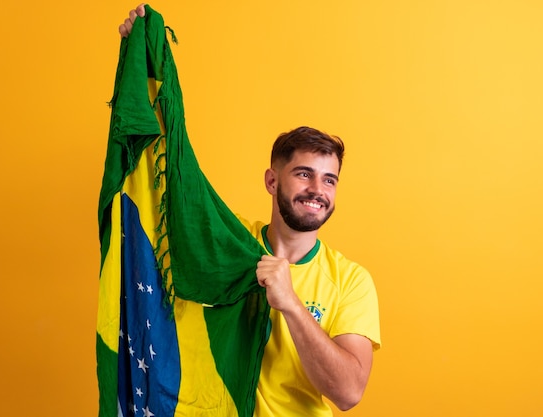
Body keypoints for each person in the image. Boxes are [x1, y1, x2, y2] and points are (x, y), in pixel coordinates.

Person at [118, 5, 381, 416]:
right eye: (304, 174)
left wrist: (291, 304)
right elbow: (168, 192)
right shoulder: (231, 244)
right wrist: (146, 67)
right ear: (272, 181)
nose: (317, 190)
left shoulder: (350, 281)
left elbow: (348, 393)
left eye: (329, 180)